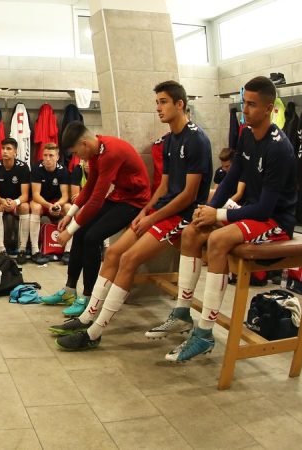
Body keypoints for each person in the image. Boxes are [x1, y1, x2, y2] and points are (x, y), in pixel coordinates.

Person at [53, 81, 213, 351]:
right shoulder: (170, 139)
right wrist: (144, 211)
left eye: (163, 102)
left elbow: (188, 196)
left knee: (127, 259)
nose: (158, 108)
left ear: (180, 104)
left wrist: (151, 217)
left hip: (182, 215)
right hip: (159, 210)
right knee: (114, 253)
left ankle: (95, 332)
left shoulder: (196, 139)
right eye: (157, 102)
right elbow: (162, 186)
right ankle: (87, 316)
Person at [159, 76, 297, 362]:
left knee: (219, 239)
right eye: (243, 103)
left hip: (275, 221)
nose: (245, 110)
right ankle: (183, 311)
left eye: (252, 105)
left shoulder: (279, 148)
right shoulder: (246, 134)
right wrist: (208, 207)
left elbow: (265, 208)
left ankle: (204, 333)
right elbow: (232, 177)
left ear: (270, 108)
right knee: (191, 232)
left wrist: (219, 214)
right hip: (252, 212)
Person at [44, 122, 151, 318]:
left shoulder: (110, 153)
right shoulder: (95, 152)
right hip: (119, 196)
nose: (78, 158)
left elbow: (96, 199)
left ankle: (87, 296)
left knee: (92, 237)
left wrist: (70, 230)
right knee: (82, 232)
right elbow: (89, 187)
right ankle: (69, 291)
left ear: (84, 144)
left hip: (136, 202)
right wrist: (70, 216)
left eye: (76, 152)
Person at [0, 137, 31, 262]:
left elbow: (25, 195)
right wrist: (2, 201)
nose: (5, 151)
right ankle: (1, 250)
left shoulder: (23, 167)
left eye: (9, 149)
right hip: (0, 201)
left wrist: (15, 202)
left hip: (16, 202)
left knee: (25, 207)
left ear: (15, 152)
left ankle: (22, 249)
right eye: (3, 148)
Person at [28, 143, 71, 265]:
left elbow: (65, 196)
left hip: (56, 202)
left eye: (51, 155)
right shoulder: (36, 168)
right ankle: (35, 251)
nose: (47, 159)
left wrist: (57, 204)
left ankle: (68, 251)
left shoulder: (63, 171)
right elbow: (36, 195)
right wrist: (48, 206)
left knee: (69, 207)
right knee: (35, 207)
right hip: (42, 202)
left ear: (57, 157)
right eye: (45, 155)